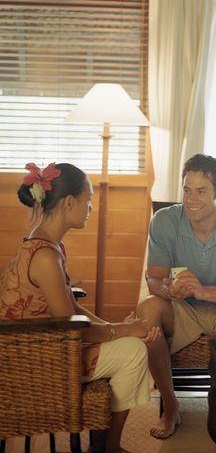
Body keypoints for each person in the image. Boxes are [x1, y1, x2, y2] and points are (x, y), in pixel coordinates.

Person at [0, 162, 160, 453]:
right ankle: (109, 448)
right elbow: (73, 330)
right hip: (35, 361)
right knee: (135, 352)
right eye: (88, 200)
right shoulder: (45, 256)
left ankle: (105, 445)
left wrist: (117, 328)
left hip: (45, 346)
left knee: (129, 343)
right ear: (69, 203)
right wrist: (126, 331)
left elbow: (72, 307)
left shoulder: (47, 245)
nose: (90, 208)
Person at [137, 153, 216, 439]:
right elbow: (154, 279)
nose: (190, 199)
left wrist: (203, 290)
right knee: (148, 309)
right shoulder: (164, 220)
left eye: (200, 191)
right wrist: (169, 290)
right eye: (186, 190)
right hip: (182, 309)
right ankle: (171, 406)